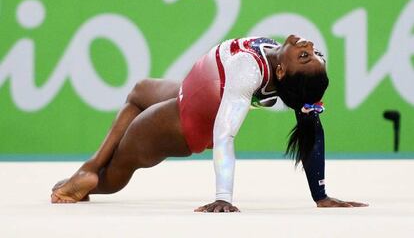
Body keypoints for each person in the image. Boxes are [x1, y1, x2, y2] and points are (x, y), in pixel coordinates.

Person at [51, 35, 368, 212]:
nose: (308, 46)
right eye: (314, 52)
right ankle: (90, 166)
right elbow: (309, 120)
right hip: (186, 92)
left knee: (120, 167)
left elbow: (225, 134)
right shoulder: (275, 57)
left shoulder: (249, 69)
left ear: (283, 72)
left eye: (305, 56)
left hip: (185, 121)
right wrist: (320, 196)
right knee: (139, 90)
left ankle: (94, 179)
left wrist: (223, 197)